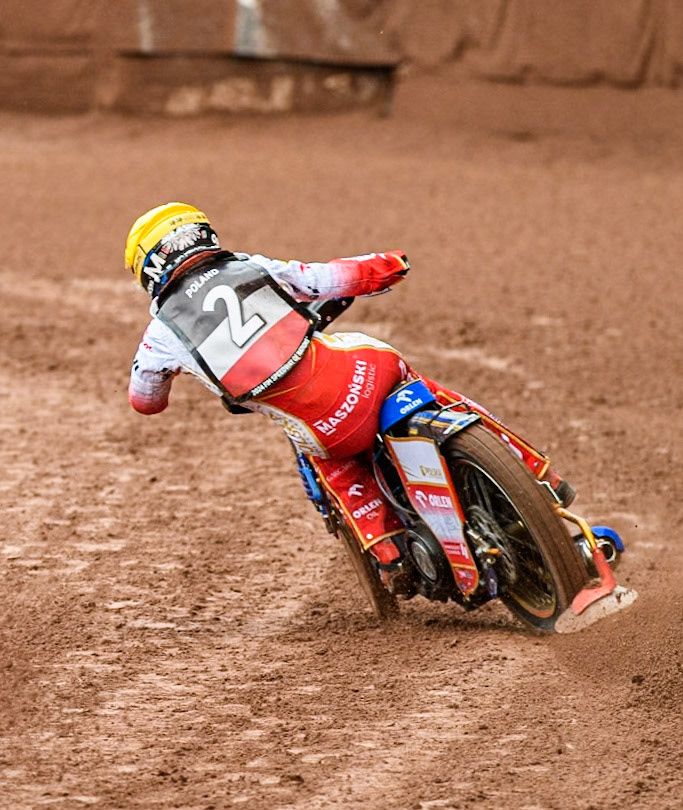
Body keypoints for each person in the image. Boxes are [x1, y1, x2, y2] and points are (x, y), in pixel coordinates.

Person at [122, 203, 572, 591]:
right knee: (422, 387)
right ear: (202, 235)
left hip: (325, 431)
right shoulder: (251, 267)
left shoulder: (161, 334)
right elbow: (332, 278)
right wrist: (392, 263)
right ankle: (535, 473)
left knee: (332, 461)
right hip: (369, 376)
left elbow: (145, 400)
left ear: (150, 265)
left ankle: (390, 553)